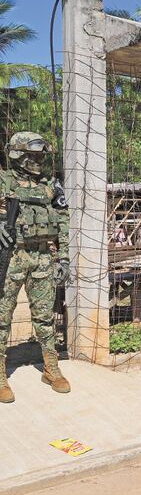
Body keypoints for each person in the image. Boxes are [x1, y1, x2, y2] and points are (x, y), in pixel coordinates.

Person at [0, 132, 71, 404]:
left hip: (42, 257)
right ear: (19, 155)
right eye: (33, 155)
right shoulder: (4, 180)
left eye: (41, 155)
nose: (38, 160)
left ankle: (51, 369)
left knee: (44, 317)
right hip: (11, 256)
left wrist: (63, 258)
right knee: (2, 317)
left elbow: (63, 221)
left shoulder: (51, 185)